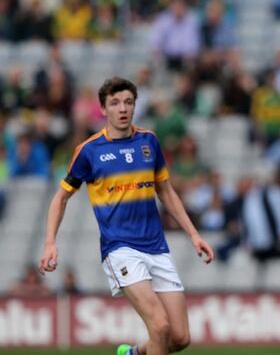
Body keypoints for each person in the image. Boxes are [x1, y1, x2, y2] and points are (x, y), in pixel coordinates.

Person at [38, 77, 215, 355]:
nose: (123, 108)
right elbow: (61, 197)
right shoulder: (89, 151)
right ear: (104, 109)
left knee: (179, 338)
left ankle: (132, 354)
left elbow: (166, 191)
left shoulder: (149, 141)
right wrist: (50, 242)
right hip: (120, 248)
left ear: (135, 106)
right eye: (115, 103)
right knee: (159, 327)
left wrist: (194, 235)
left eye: (128, 102)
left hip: (156, 247)